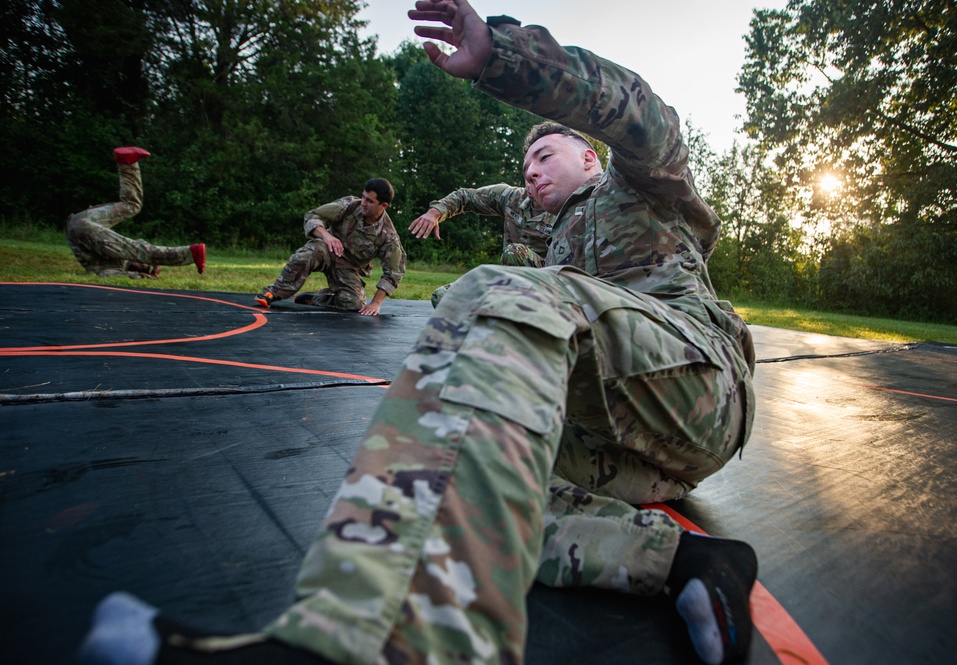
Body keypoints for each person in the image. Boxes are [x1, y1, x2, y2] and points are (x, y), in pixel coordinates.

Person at [78, 3, 758, 665]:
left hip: (700, 388)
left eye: (545, 153)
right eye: (525, 161)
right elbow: (484, 201)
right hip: (627, 445)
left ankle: (388, 642)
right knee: (455, 468)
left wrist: (502, 56)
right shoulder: (544, 229)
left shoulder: (644, 186)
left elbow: (636, 107)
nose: (531, 167)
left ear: (588, 156)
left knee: (497, 292)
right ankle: (689, 559)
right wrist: (443, 207)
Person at [253, 178, 406, 316]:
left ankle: (317, 298)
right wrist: (327, 236)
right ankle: (273, 293)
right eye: (363, 197)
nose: (363, 203)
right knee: (307, 254)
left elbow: (393, 273)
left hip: (348, 268)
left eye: (370, 201)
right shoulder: (350, 205)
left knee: (353, 303)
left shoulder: (388, 235)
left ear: (383, 205)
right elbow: (312, 216)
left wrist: (376, 303)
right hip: (326, 250)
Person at [65, 147, 206, 278]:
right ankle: (127, 162)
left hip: (80, 229)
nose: (143, 264)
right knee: (132, 206)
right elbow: (140, 246)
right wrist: (153, 264)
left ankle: (191, 253)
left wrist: (138, 276)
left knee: (141, 251)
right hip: (82, 220)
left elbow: (113, 271)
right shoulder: (124, 255)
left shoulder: (113, 265)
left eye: (142, 265)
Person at [410, 181, 551, 307]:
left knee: (515, 253)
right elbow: (466, 196)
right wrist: (436, 212)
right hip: (506, 283)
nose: (533, 177)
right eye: (529, 170)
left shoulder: (567, 211)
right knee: (442, 297)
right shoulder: (511, 197)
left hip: (548, 290)